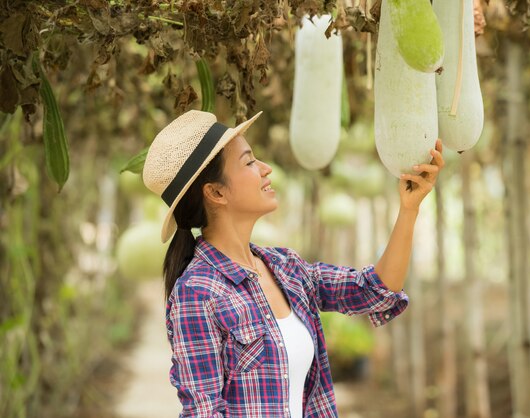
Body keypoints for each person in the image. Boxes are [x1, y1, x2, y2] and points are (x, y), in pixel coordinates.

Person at [142, 110, 444, 417]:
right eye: (249, 162)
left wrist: (409, 208)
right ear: (216, 192)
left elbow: (374, 289)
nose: (265, 168)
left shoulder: (286, 268)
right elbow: (203, 412)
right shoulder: (197, 292)